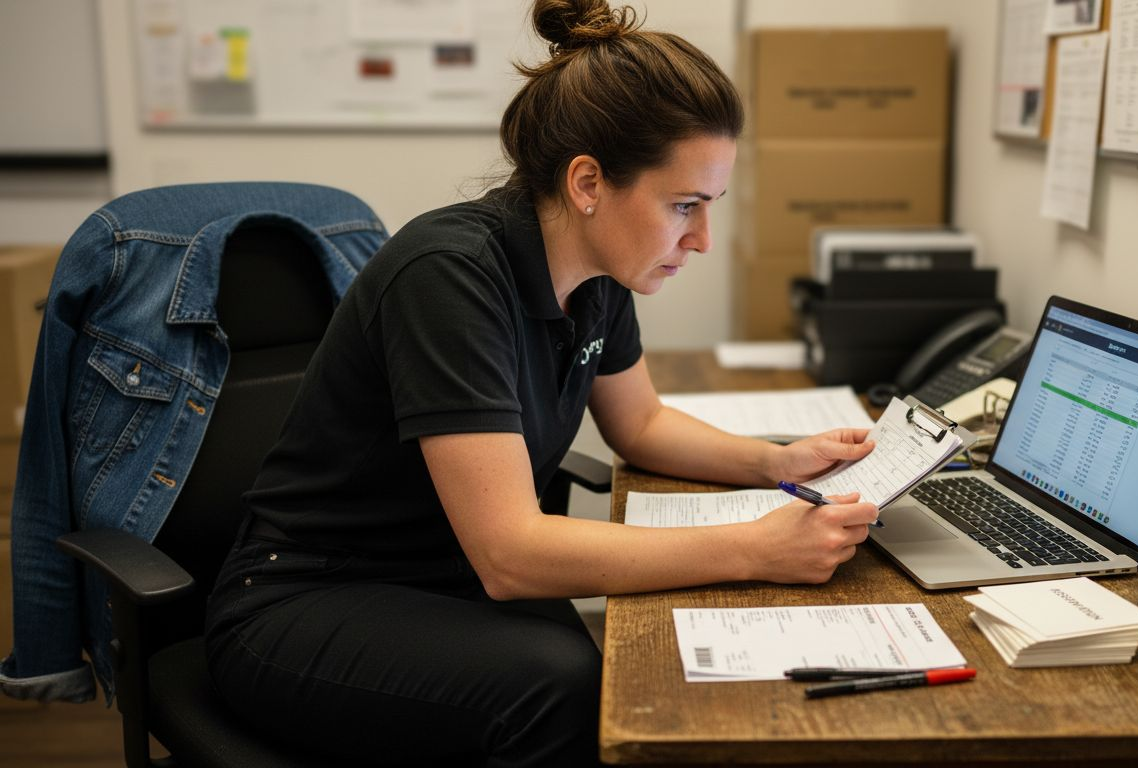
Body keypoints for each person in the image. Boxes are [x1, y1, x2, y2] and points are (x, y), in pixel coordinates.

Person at [203, 1, 878, 765]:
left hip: (445, 580)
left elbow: (642, 426)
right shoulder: (449, 277)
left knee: (622, 672)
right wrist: (755, 548)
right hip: (303, 601)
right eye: (683, 206)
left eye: (708, 206)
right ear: (588, 181)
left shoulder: (600, 272)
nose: (701, 239)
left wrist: (777, 463)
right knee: (563, 685)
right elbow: (511, 554)